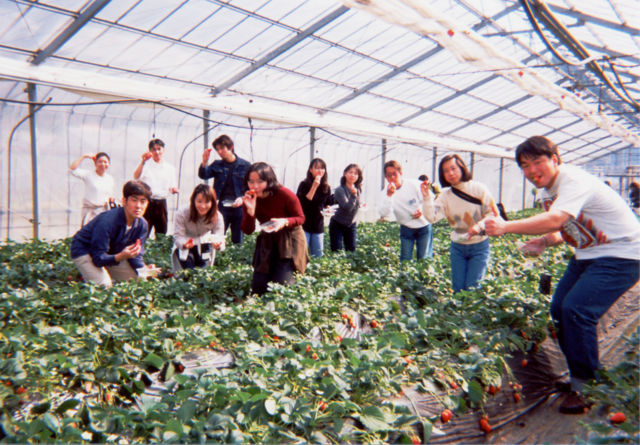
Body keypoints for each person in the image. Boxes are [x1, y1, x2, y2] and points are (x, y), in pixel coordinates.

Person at [482, 136, 640, 414]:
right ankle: (581, 373)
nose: (532, 171)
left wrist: (506, 226)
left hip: (623, 253)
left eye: (537, 162)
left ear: (555, 159)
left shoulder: (573, 181)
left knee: (577, 309)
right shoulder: (547, 192)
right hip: (588, 254)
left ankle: (586, 387)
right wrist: (545, 241)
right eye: (525, 166)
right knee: (559, 308)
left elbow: (556, 219)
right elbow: (566, 228)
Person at [421, 154, 498, 293]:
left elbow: (493, 213)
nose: (450, 173)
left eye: (453, 168)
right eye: (445, 171)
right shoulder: (445, 196)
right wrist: (426, 198)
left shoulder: (479, 189)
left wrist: (479, 226)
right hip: (458, 248)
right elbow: (432, 217)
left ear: (462, 168)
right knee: (458, 288)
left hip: (479, 246)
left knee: (472, 288)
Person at [70, 180, 154, 287]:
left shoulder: (142, 224)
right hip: (85, 251)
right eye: (134, 200)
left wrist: (144, 269)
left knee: (137, 279)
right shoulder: (107, 221)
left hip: (108, 253)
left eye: (143, 201)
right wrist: (120, 256)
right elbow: (98, 258)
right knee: (104, 285)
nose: (138, 206)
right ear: (124, 201)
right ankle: (89, 273)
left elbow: (136, 255)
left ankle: (99, 272)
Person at [241, 162, 307, 295]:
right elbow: (248, 230)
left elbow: (301, 218)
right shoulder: (250, 198)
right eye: (251, 181)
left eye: (260, 181)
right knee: (259, 287)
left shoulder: (284, 194)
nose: (255, 186)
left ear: (269, 180)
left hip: (289, 239)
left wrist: (285, 221)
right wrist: (250, 212)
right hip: (268, 239)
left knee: (283, 286)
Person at [198, 135, 251, 244]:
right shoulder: (217, 164)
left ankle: (236, 255)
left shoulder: (245, 165)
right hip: (221, 206)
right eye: (217, 149)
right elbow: (204, 175)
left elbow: (250, 187)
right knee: (216, 237)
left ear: (231, 147)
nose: (219, 152)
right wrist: (204, 162)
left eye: (222, 148)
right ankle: (216, 254)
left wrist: (242, 199)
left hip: (239, 207)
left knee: (238, 240)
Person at [379, 161, 433, 260]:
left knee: (424, 259)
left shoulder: (414, 184)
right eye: (389, 175)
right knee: (405, 259)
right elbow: (384, 213)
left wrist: (422, 210)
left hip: (424, 226)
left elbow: (430, 198)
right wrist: (389, 196)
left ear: (400, 173)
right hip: (406, 228)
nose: (392, 177)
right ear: (386, 177)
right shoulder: (385, 192)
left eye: (394, 174)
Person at [171, 184, 225, 272]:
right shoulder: (182, 213)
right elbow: (178, 236)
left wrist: (218, 244)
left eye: (207, 202)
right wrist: (184, 244)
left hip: (204, 243)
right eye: (199, 201)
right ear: (193, 200)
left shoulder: (217, 216)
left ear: (212, 202)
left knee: (203, 273)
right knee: (189, 272)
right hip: (186, 243)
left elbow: (219, 236)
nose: (203, 206)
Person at [133, 138, 178, 236]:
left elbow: (172, 186)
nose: (157, 152)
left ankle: (159, 247)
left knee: (161, 233)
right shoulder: (146, 165)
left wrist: (173, 190)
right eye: (154, 149)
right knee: (143, 232)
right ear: (150, 151)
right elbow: (136, 176)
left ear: (163, 150)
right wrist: (143, 161)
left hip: (161, 203)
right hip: (147, 203)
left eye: (159, 149)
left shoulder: (170, 168)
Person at [296, 158, 333, 258]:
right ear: (310, 170)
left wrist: (328, 209)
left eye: (322, 168)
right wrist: (314, 186)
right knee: (301, 256)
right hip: (304, 225)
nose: (320, 171)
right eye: (317, 168)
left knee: (318, 256)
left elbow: (326, 204)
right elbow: (302, 204)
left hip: (318, 225)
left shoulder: (326, 187)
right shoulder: (304, 185)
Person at [69, 152, 115, 226]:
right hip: (89, 212)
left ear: (109, 164)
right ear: (95, 163)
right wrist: (83, 156)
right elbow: (72, 170)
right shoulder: (88, 175)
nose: (103, 164)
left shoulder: (110, 179)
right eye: (100, 162)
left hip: (103, 212)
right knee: (88, 231)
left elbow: (109, 195)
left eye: (105, 162)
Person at [329, 164, 363, 252]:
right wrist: (353, 195)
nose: (352, 175)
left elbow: (355, 205)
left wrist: (359, 204)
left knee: (351, 251)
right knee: (337, 251)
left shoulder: (357, 189)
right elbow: (347, 207)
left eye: (355, 173)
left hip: (351, 224)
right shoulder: (340, 190)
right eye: (350, 172)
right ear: (345, 174)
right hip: (337, 223)